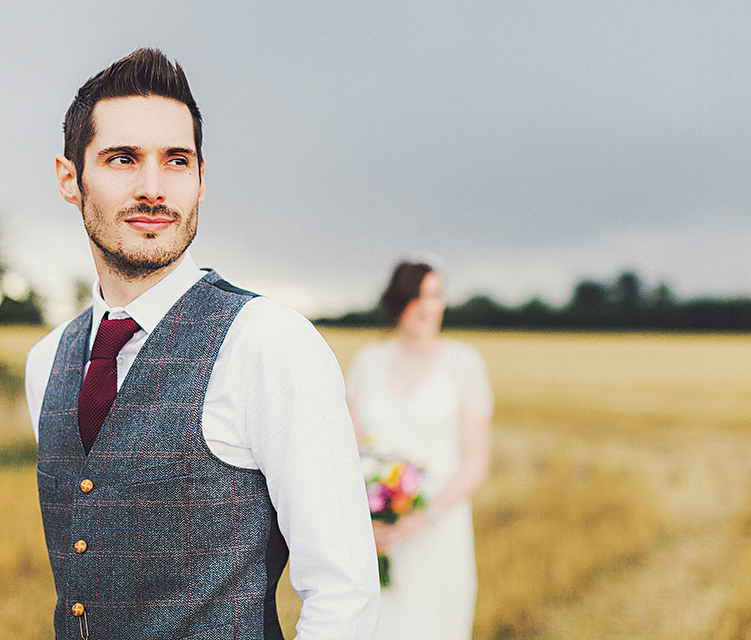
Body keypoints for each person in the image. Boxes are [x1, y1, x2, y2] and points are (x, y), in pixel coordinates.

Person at [25, 48, 379, 639]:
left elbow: (344, 596)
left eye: (176, 161)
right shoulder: (46, 363)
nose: (153, 188)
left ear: (201, 180)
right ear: (69, 179)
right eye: (122, 159)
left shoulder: (268, 343)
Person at [346, 260, 492, 639]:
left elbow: (476, 462)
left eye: (436, 296)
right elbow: (349, 454)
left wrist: (424, 518)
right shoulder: (367, 363)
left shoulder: (464, 364)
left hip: (439, 534)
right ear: (398, 302)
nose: (427, 307)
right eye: (417, 296)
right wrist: (367, 518)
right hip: (377, 536)